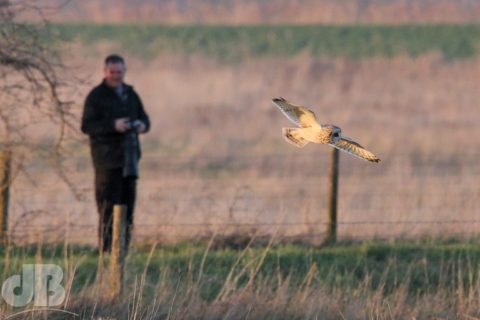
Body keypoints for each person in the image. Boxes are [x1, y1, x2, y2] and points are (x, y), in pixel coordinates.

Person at [81, 54, 150, 252]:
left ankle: (124, 250)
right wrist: (113, 125)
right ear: (105, 72)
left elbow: (145, 119)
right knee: (108, 208)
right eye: (112, 72)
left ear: (125, 71)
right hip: (106, 162)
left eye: (119, 72)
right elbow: (87, 126)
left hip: (130, 161)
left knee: (128, 209)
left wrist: (141, 125)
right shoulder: (96, 96)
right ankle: (107, 250)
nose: (116, 76)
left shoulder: (131, 94)